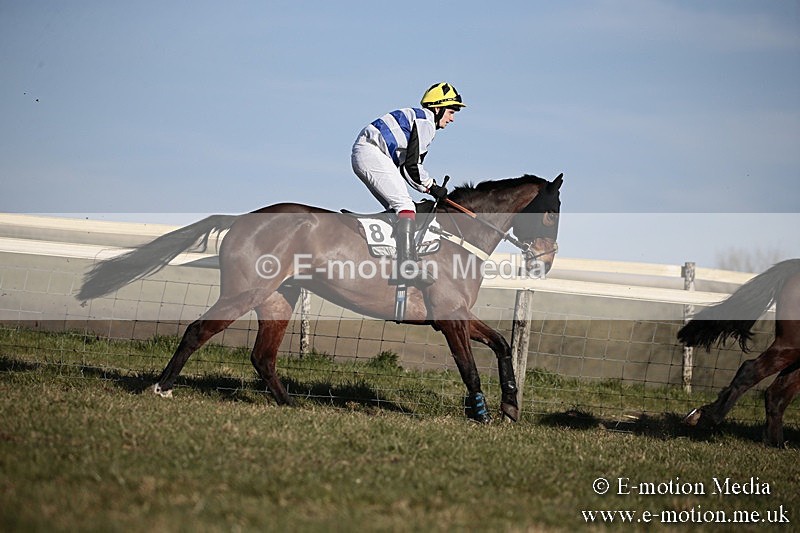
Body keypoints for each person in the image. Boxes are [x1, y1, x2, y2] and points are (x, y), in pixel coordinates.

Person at [351, 82, 465, 285]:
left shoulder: (419, 120)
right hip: (372, 152)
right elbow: (412, 166)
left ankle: (391, 258)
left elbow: (406, 168)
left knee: (400, 208)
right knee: (405, 206)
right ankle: (406, 266)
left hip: (369, 153)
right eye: (450, 111)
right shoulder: (426, 122)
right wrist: (432, 187)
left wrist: (429, 187)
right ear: (437, 108)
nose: (452, 118)